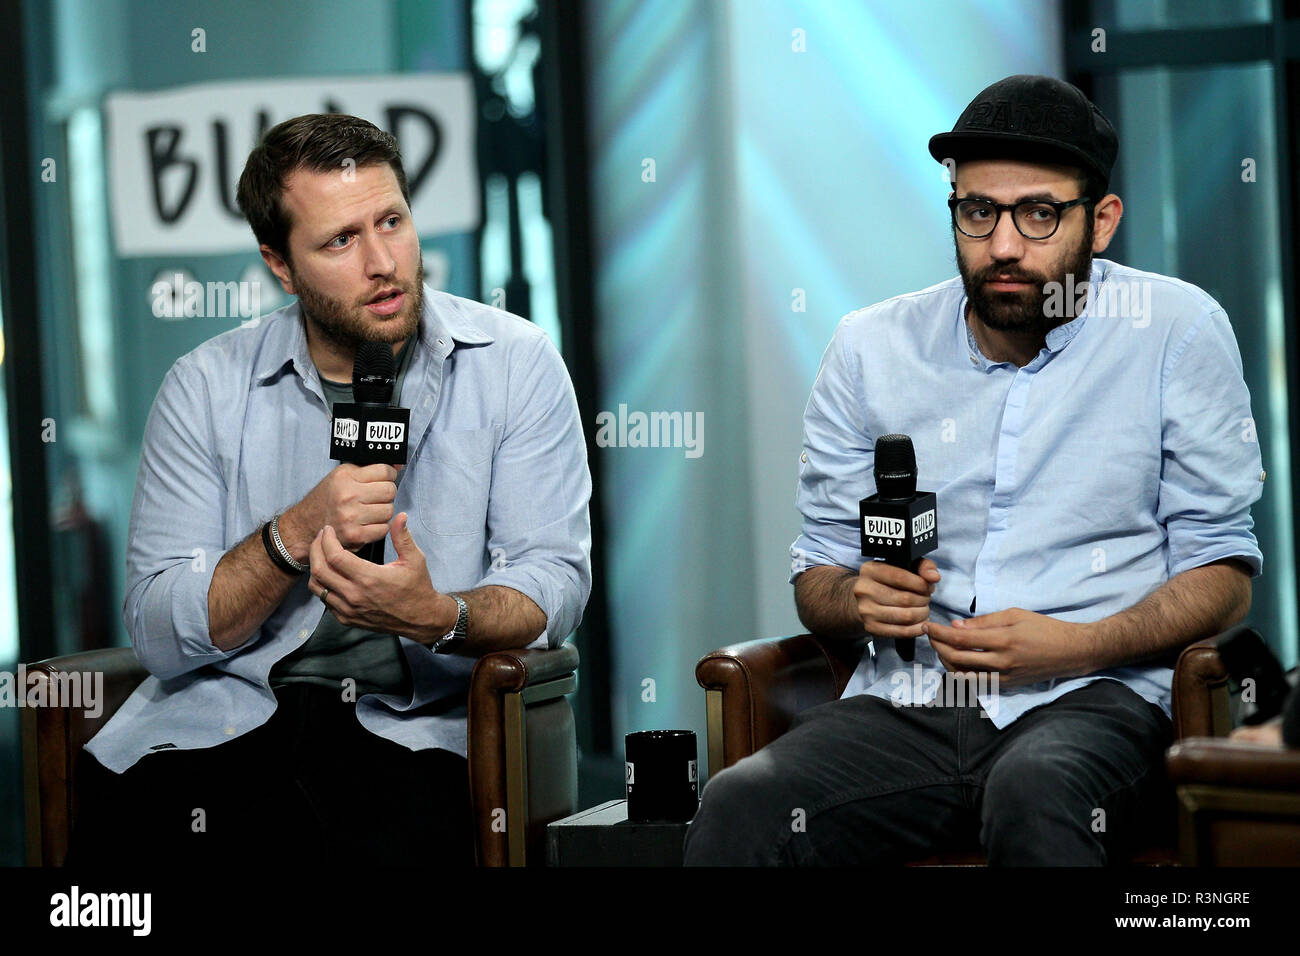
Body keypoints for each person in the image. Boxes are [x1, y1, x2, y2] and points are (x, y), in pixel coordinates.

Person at [683, 75, 1263, 866]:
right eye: (978, 211)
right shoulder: (869, 348)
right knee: (740, 806)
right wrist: (856, 601)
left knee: (1034, 790)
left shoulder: (1177, 332)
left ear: (1101, 222)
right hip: (912, 705)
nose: (1003, 246)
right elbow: (817, 576)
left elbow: (1223, 573)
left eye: (1039, 214)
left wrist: (1078, 645)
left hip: (1095, 700)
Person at [67, 114, 592, 866]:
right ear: (279, 264)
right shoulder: (206, 387)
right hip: (230, 720)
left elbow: (554, 581)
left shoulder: (515, 365)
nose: (383, 261)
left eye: (392, 221)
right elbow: (155, 626)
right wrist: (292, 535)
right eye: (340, 240)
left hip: (415, 732)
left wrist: (438, 614)